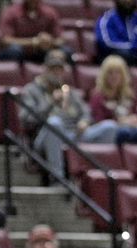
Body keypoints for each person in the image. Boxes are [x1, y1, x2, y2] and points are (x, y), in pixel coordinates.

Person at [20, 49, 110, 178]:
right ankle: (58, 178)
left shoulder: (69, 91)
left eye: (60, 69)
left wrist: (84, 121)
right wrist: (51, 103)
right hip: (45, 137)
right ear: (44, 69)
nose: (57, 73)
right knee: (54, 123)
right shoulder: (31, 90)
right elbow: (27, 119)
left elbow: (86, 112)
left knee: (109, 127)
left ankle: (98, 178)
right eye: (53, 69)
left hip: (73, 134)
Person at [88, 55, 137, 145]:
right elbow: (99, 121)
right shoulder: (98, 96)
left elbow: (135, 114)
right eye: (110, 73)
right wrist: (121, 122)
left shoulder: (130, 95)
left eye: (118, 73)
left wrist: (136, 120)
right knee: (124, 132)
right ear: (104, 76)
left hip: (131, 127)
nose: (114, 76)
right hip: (111, 132)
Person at [0, 0, 65, 64]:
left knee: (65, 52)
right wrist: (33, 42)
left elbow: (60, 40)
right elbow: (5, 40)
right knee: (14, 51)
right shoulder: (10, 12)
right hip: (19, 51)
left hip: (41, 51)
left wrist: (49, 41)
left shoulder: (50, 13)